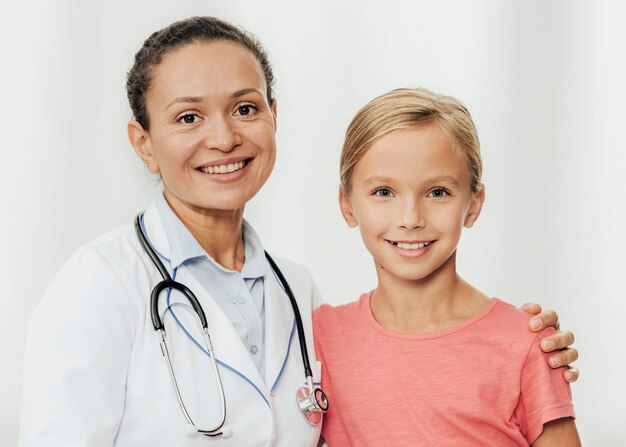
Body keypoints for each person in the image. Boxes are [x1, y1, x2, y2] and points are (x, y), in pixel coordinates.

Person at [19, 17, 578, 447]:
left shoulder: (301, 296)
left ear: (273, 117)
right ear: (144, 143)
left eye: (244, 108)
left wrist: (523, 343)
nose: (223, 138)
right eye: (189, 117)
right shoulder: (101, 284)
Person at [314, 87, 581, 446]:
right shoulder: (320, 339)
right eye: (383, 192)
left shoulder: (526, 343)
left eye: (437, 192)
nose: (410, 219)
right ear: (347, 205)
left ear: (473, 204)